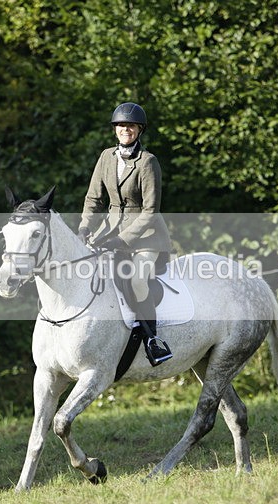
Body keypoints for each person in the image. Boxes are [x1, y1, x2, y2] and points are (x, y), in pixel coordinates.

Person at [78, 102, 174, 366]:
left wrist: (122, 240)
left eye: (130, 126)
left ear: (139, 129)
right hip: (107, 232)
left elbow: (150, 210)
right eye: (121, 125)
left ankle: (153, 340)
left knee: (136, 279)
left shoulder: (148, 162)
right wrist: (85, 227)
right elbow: (93, 200)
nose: (125, 129)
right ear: (115, 129)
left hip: (146, 238)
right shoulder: (106, 157)